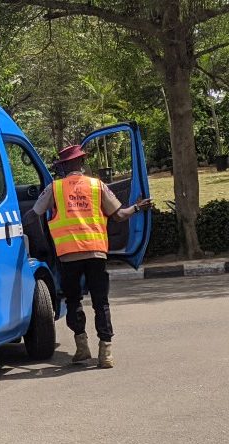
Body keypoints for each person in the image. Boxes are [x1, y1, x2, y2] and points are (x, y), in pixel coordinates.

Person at [33, 144, 153, 368]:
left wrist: (14, 228)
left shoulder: (54, 188)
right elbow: (119, 215)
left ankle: (82, 348)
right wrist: (138, 208)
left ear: (64, 166)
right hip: (96, 252)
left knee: (73, 300)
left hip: (69, 256)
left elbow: (34, 214)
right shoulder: (98, 186)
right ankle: (105, 353)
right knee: (101, 302)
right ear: (82, 163)